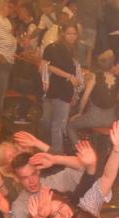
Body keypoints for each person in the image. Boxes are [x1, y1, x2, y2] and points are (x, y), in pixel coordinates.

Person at [41, 19, 82, 153]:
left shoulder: (74, 49)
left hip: (59, 90)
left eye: (74, 34)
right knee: (56, 124)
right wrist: (69, 77)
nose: (72, 37)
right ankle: (56, 154)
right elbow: (48, 67)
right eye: (69, 33)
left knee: (52, 123)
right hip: (56, 89)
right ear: (62, 33)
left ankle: (52, 151)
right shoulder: (54, 48)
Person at [67, 50, 119, 148]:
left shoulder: (95, 77)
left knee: (70, 126)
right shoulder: (118, 80)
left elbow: (84, 98)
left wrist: (79, 113)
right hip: (111, 119)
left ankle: (82, 151)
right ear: (112, 65)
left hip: (94, 117)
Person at [0, 0, 18, 116]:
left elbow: (8, 37)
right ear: (3, 6)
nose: (10, 9)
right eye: (8, 6)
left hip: (6, 62)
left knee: (0, 95)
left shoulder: (5, 21)